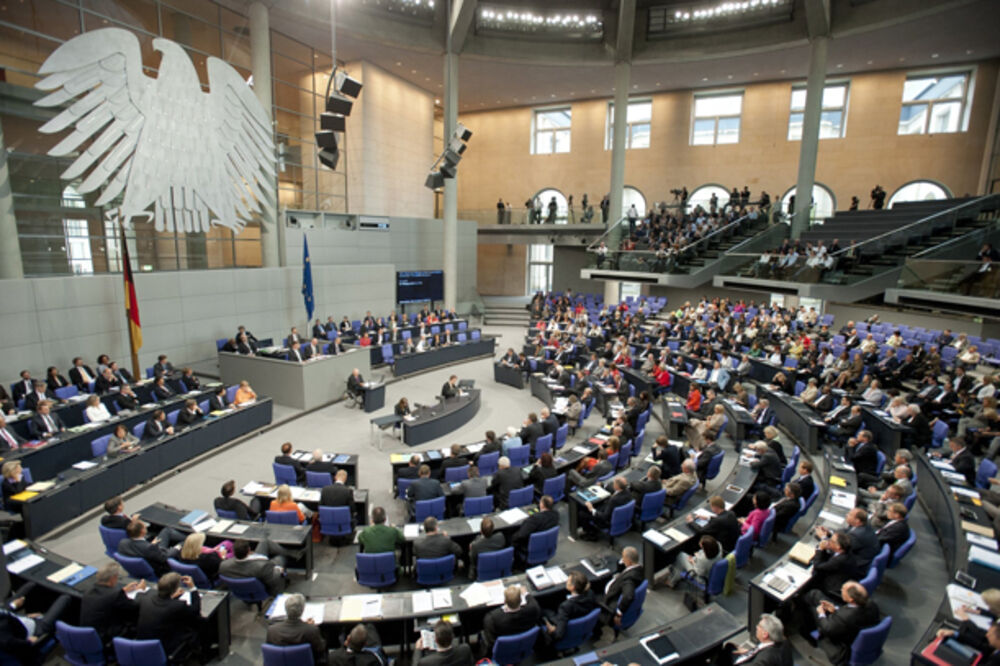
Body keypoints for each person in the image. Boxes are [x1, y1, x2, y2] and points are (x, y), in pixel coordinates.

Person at [805, 581, 880, 665]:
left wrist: (821, 613)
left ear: (851, 599)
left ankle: (806, 634)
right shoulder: (872, 605)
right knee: (815, 594)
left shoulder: (846, 616)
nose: (841, 590)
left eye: (843, 590)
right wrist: (835, 610)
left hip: (841, 646)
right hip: (853, 633)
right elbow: (847, 617)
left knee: (812, 608)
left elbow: (827, 629)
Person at [0, 582, 72, 664]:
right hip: (35, 628)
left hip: (16, 618)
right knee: (65, 598)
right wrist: (29, 642)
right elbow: (13, 644)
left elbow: (4, 612)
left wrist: (15, 607)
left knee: (32, 584)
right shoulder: (3, 636)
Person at [135, 572, 201, 661]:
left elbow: (139, 596)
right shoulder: (178, 605)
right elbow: (195, 610)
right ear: (175, 589)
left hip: (142, 645)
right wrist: (193, 588)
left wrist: (172, 597)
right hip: (165, 648)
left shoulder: (145, 597)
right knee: (197, 625)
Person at [79, 562, 144, 643]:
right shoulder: (115, 594)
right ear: (113, 578)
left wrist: (123, 590)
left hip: (87, 635)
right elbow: (134, 605)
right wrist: (140, 591)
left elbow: (107, 596)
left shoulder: (89, 591)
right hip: (105, 637)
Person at [267, 592, 328, 665]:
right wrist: (310, 627)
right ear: (302, 610)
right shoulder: (312, 630)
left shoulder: (272, 630)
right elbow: (320, 649)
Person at [542, 571, 597, 648]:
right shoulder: (590, 593)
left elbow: (558, 635)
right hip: (579, 621)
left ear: (572, 587)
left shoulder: (566, 606)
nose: (566, 582)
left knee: (544, 610)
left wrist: (552, 629)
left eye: (568, 581)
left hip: (567, 624)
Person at [714, 613, 793, 665]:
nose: (756, 627)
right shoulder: (783, 640)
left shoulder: (762, 660)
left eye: (759, 626)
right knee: (729, 646)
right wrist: (749, 652)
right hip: (752, 656)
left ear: (765, 634)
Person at [219, 539, 289, 597]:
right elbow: (273, 582)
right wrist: (278, 570)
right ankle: (289, 554)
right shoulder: (263, 567)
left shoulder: (223, 565)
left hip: (252, 570)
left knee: (265, 542)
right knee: (280, 558)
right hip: (262, 581)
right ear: (249, 550)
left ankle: (288, 553)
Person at [600, 547, 644, 632]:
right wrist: (622, 561)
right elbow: (624, 570)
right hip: (618, 584)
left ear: (629, 561)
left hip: (611, 599)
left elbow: (628, 596)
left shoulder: (630, 579)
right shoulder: (638, 568)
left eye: (623, 558)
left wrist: (619, 613)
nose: (622, 559)